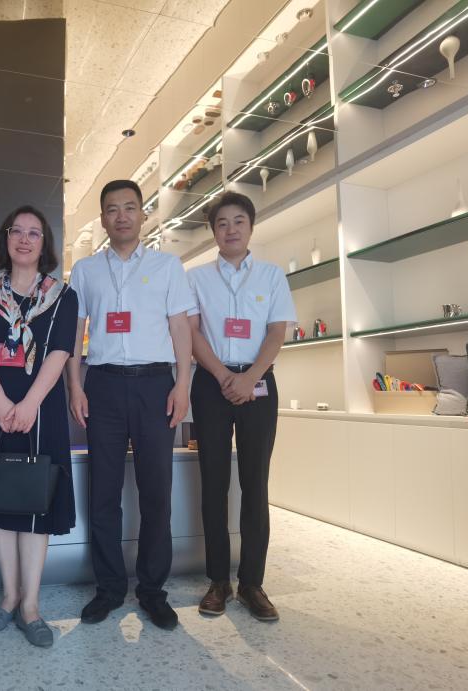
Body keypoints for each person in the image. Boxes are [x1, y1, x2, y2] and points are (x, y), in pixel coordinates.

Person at [66, 179, 194, 631]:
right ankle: (108, 588)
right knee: (102, 492)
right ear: (102, 218)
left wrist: (182, 384)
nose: (121, 216)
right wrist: (75, 386)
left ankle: (153, 590)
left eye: (129, 207)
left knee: (156, 492)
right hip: (102, 385)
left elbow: (180, 329)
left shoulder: (167, 267)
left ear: (143, 214)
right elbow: (75, 333)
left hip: (155, 385)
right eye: (112, 209)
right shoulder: (85, 271)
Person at [0, 205, 78, 648]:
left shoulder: (62, 296)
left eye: (34, 233)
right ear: (5, 239)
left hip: (41, 409)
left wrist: (28, 404)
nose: (24, 239)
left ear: (45, 244)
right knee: (0, 498)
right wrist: (1, 402)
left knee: (36, 504)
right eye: (17, 231)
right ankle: (8, 598)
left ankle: (31, 607)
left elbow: (60, 354)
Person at [186, 191, 295, 622]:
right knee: (213, 484)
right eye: (222, 223)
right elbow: (192, 333)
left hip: (258, 384)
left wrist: (250, 378)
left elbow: (277, 332)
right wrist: (223, 376)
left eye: (238, 221)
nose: (230, 229)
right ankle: (218, 580)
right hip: (210, 384)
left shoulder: (271, 276)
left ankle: (252, 583)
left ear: (250, 227)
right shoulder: (196, 278)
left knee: (255, 483)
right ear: (213, 231)